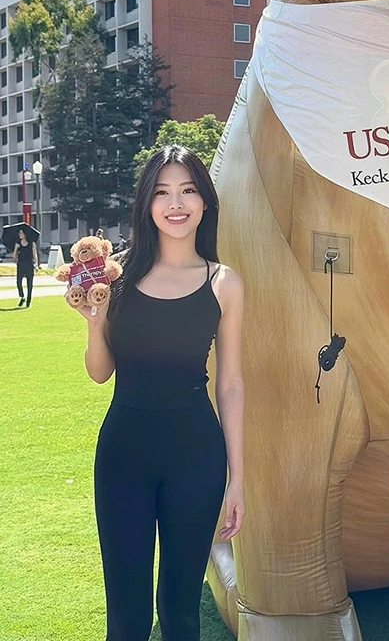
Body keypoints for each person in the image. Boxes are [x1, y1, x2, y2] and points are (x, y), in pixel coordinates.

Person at [78, 145, 245, 641]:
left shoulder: (224, 283)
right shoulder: (116, 275)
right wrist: (94, 323)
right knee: (126, 619)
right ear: (146, 204)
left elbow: (232, 384)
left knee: (179, 613)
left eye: (188, 190)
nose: (176, 203)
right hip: (123, 456)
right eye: (162, 192)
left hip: (196, 458)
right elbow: (99, 372)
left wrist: (238, 478)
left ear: (205, 202)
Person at [12, 228, 38, 308]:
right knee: (18, 282)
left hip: (29, 265)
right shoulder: (18, 243)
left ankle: (28, 301)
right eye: (19, 233)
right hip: (21, 265)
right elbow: (14, 256)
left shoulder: (32, 243)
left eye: (21, 233)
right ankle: (22, 296)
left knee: (29, 284)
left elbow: (35, 254)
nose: (20, 235)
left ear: (25, 234)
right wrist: (16, 249)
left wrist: (36, 264)